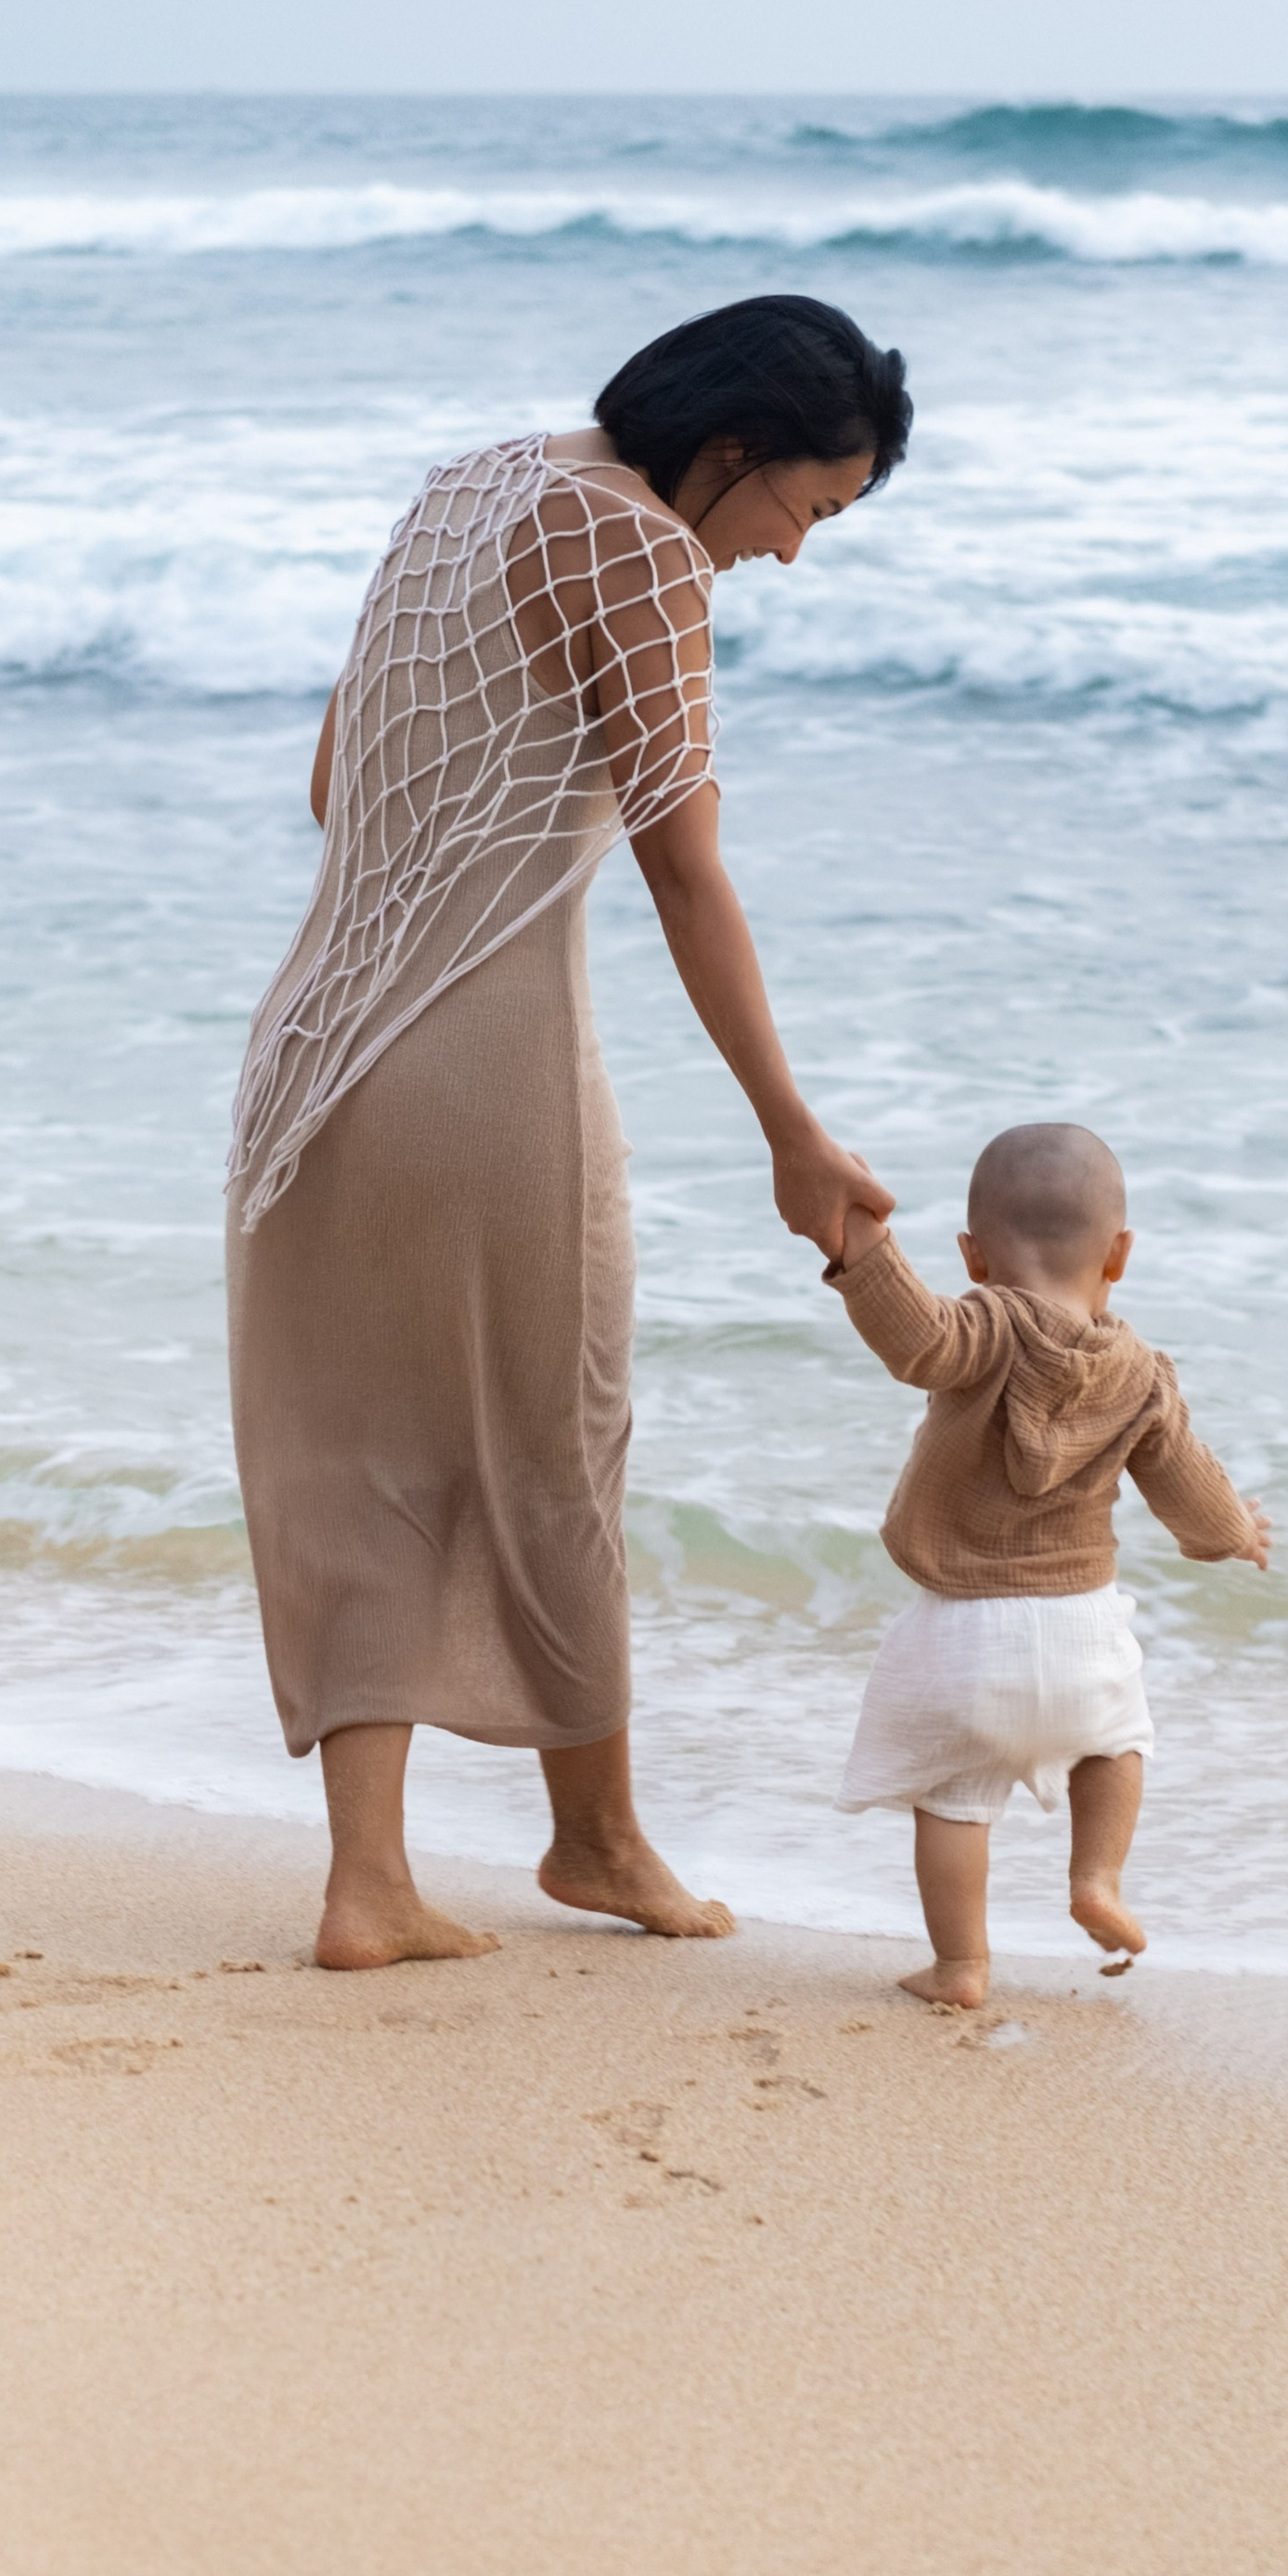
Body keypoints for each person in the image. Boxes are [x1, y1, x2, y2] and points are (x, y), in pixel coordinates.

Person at [227, 296, 908, 1969]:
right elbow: (688, 866)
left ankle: (368, 1884)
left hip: (315, 1048)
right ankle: (595, 1840)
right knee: (554, 1437)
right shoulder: (643, 550)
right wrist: (793, 1132)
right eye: (804, 512)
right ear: (734, 452)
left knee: (363, 1459)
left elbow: (336, 780)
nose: (787, 555)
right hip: (482, 1066)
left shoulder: (467, 487)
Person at [825, 1123, 1269, 2008]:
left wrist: (861, 1241)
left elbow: (914, 1337)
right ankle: (1096, 1877)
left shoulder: (983, 1328)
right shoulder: (1142, 1372)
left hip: (962, 1633)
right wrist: (1232, 1533)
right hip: (1084, 1626)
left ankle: (960, 1967)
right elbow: (1186, 1479)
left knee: (954, 1799)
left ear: (973, 1254)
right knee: (1118, 1742)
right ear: (1121, 1255)